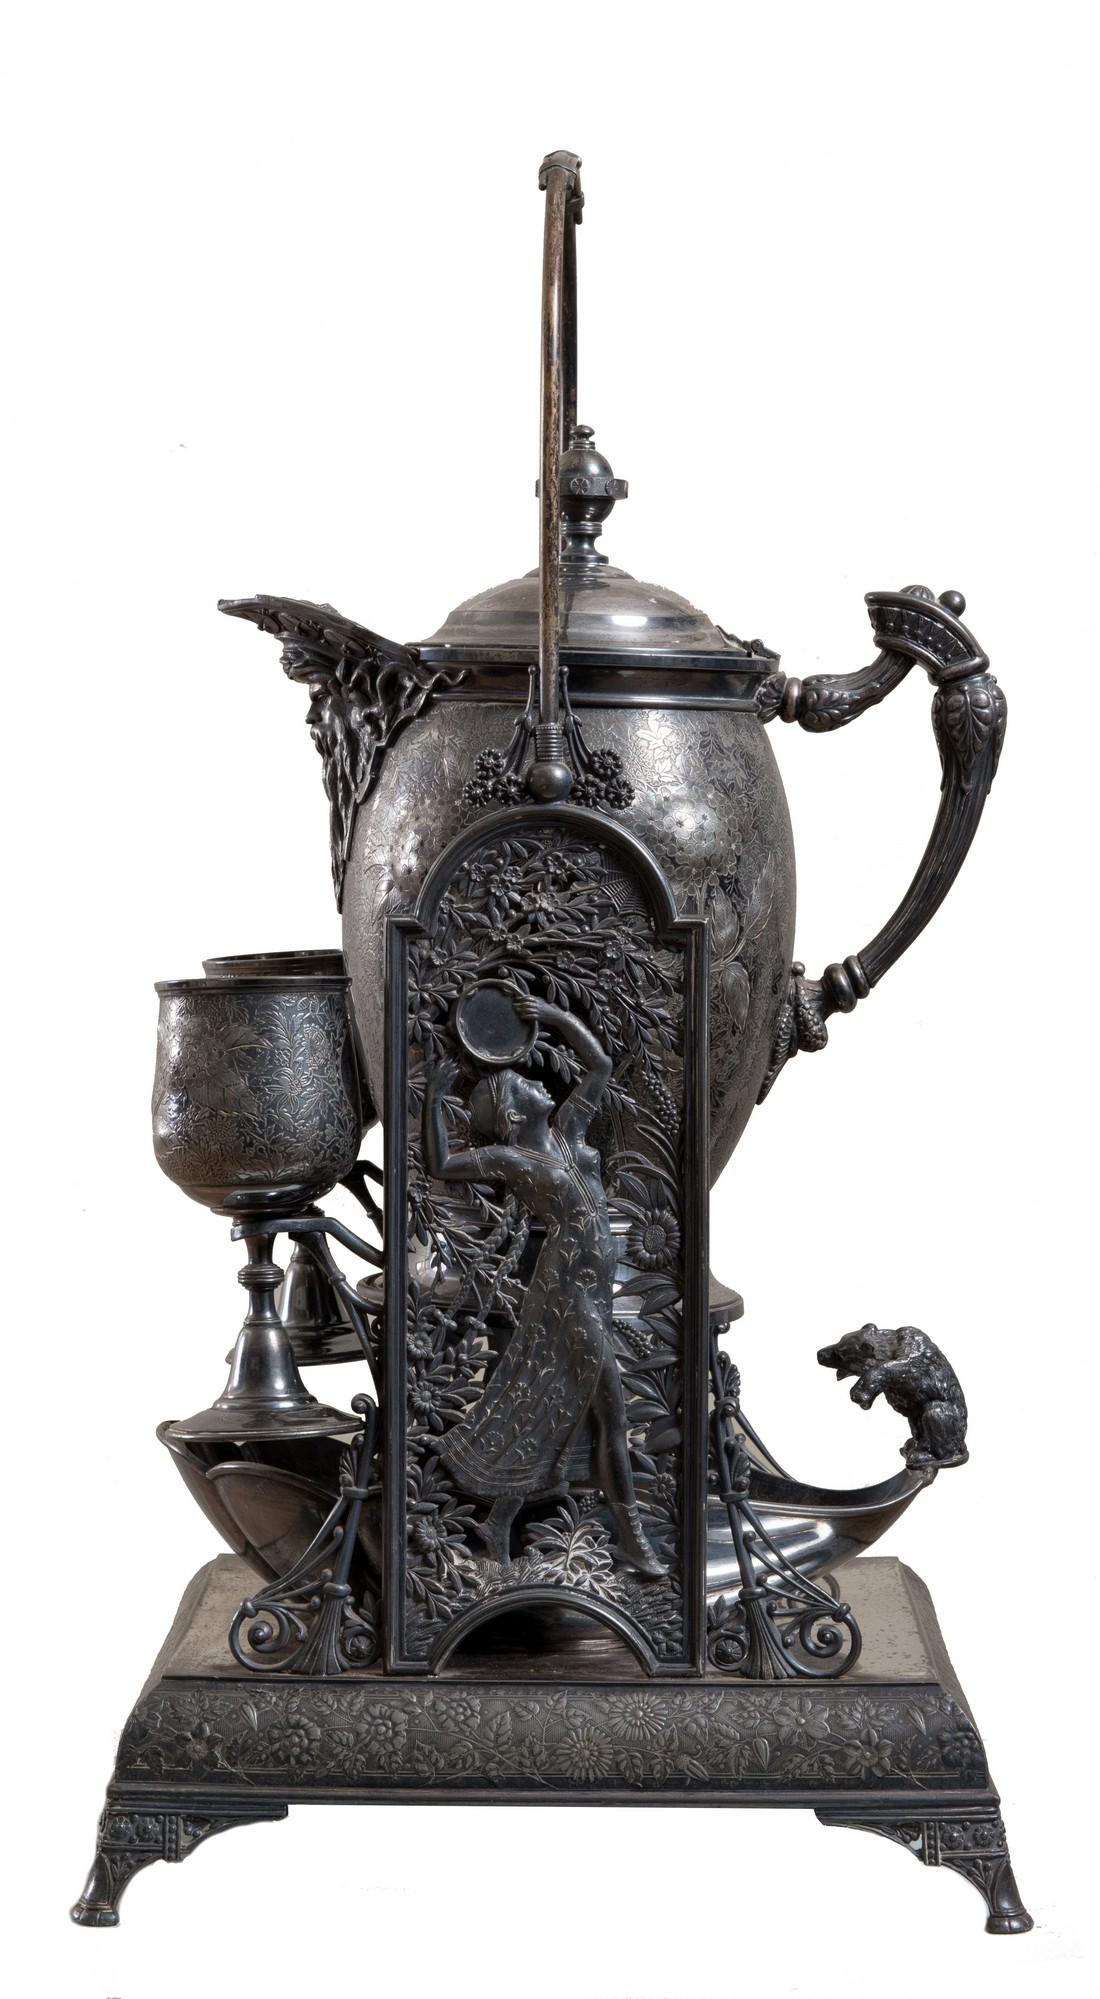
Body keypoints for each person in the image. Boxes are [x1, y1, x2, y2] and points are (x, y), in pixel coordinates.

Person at [423, 996, 666, 1578]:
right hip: (569, 1291)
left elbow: (600, 1065)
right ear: (513, 1114)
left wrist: (555, 1019)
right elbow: (441, 1165)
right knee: (610, 1410)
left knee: (553, 1402)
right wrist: (432, 1100)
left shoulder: (569, 1131)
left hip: (593, 1286)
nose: (539, 1082)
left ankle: (500, 1520)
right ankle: (633, 1539)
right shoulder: (510, 1158)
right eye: (524, 1085)